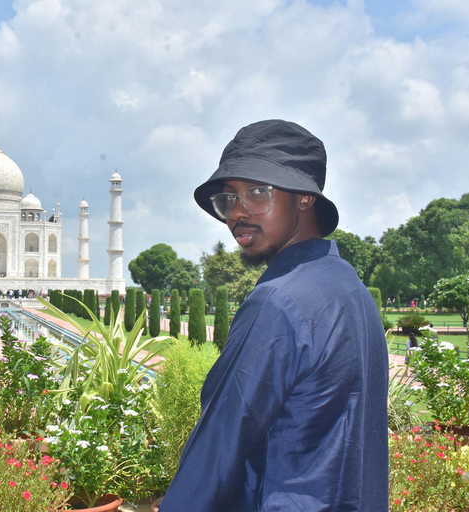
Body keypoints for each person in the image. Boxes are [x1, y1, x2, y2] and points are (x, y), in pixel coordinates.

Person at [159, 120, 388, 510]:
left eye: (257, 192)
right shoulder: (349, 287)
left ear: (304, 198)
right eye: (228, 198)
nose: (237, 212)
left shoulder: (278, 302)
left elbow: (220, 445)